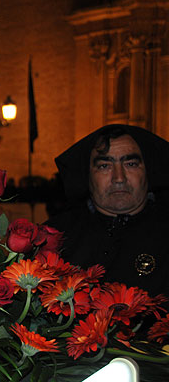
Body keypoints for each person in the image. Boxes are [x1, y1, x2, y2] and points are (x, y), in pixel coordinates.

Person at [47, 124, 169, 298]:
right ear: (87, 176)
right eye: (105, 166)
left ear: (148, 172)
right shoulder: (54, 237)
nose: (119, 178)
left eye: (131, 164)